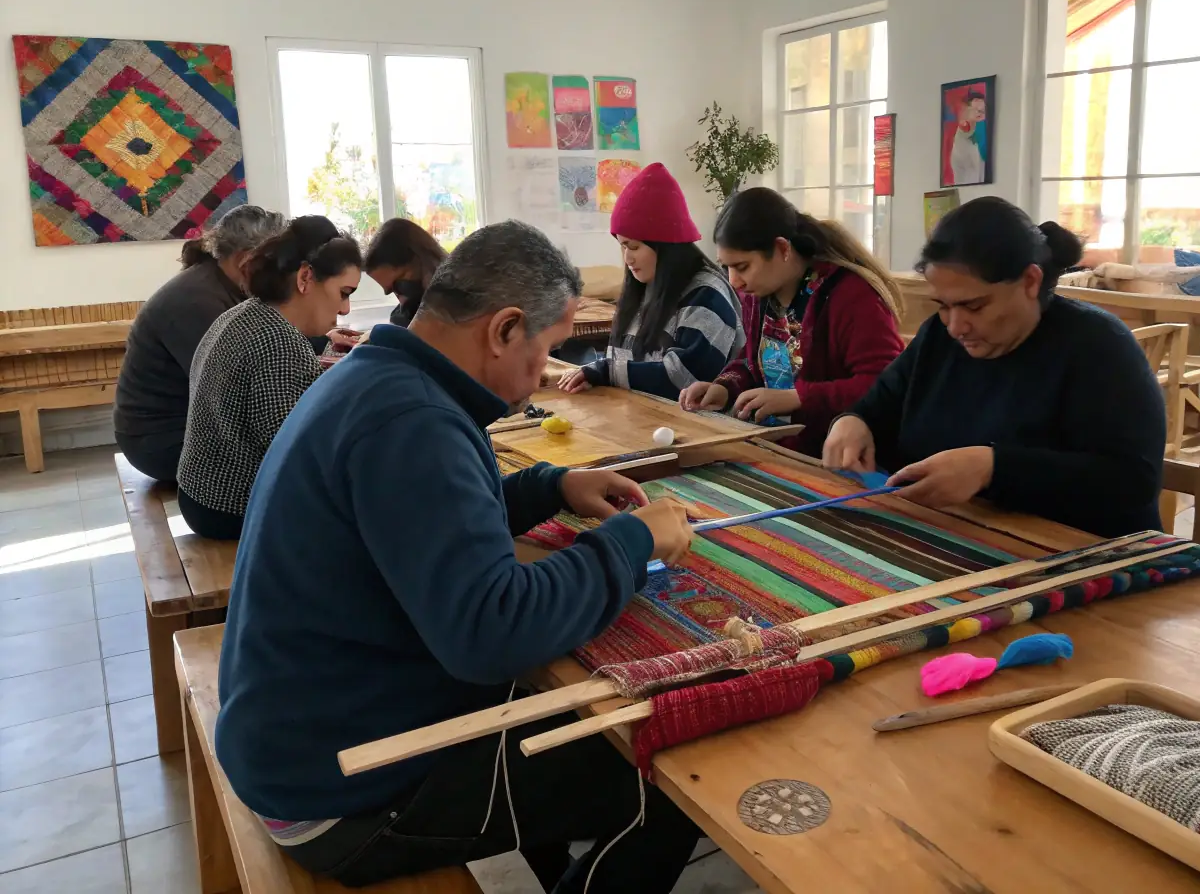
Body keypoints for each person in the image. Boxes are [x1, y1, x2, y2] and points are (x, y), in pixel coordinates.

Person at [215, 220, 700, 891]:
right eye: (545, 352)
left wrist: (548, 485)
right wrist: (632, 542)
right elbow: (492, 633)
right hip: (340, 794)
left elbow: (422, 522)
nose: (538, 380)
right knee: (668, 775)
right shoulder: (414, 422)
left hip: (295, 739)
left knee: (568, 726)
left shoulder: (379, 379)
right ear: (503, 329)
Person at [822, 196, 1166, 538]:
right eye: (943, 306)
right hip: (965, 538)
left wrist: (993, 468)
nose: (956, 326)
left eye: (973, 306)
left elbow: (1132, 480)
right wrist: (854, 421)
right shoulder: (939, 338)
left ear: (1030, 282)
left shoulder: (1098, 345)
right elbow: (881, 404)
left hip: (1084, 555)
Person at [679, 188, 904, 458]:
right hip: (774, 450)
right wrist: (725, 387)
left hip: (836, 459)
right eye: (726, 267)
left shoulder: (851, 295)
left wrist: (799, 397)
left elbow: (887, 385)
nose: (733, 281)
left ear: (782, 248)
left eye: (742, 266)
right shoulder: (760, 292)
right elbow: (756, 361)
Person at [176, 216, 362, 540]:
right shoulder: (278, 342)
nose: (345, 308)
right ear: (305, 277)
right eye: (343, 292)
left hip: (201, 496)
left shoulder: (246, 314)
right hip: (230, 508)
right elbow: (300, 456)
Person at [114, 206, 285, 482]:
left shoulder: (223, 284)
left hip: (179, 431)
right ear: (245, 259)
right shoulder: (196, 300)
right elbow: (234, 390)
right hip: (160, 442)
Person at [557, 163, 742, 400]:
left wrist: (607, 371)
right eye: (623, 246)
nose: (628, 258)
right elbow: (625, 363)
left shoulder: (707, 295)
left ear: (666, 246)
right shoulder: (645, 287)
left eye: (634, 247)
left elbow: (684, 378)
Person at [363, 216, 447, 329]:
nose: (402, 302)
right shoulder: (401, 318)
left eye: (400, 285)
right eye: (393, 292)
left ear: (420, 260)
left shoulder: (465, 307)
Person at [948, 90, 987, 186]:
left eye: (982, 110)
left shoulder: (983, 130)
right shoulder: (964, 130)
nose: (979, 113)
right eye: (976, 110)